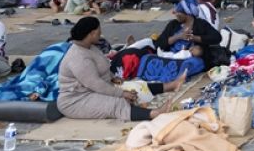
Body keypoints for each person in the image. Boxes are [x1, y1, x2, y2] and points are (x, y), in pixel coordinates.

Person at [57, 17, 185, 121]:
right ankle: (154, 114)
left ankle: (171, 86)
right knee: (117, 102)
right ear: (91, 34)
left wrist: (113, 77)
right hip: (76, 100)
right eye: (99, 32)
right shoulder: (78, 58)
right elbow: (96, 85)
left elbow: (103, 68)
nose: (101, 34)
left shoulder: (90, 47)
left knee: (136, 87)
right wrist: (121, 93)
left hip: (94, 90)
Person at [154, 0, 222, 66]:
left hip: (190, 59)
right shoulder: (173, 24)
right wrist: (178, 36)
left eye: (178, 12)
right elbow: (158, 43)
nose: (176, 14)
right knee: (147, 58)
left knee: (190, 64)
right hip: (170, 56)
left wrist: (193, 38)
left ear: (187, 13)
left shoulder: (201, 24)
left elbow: (217, 37)